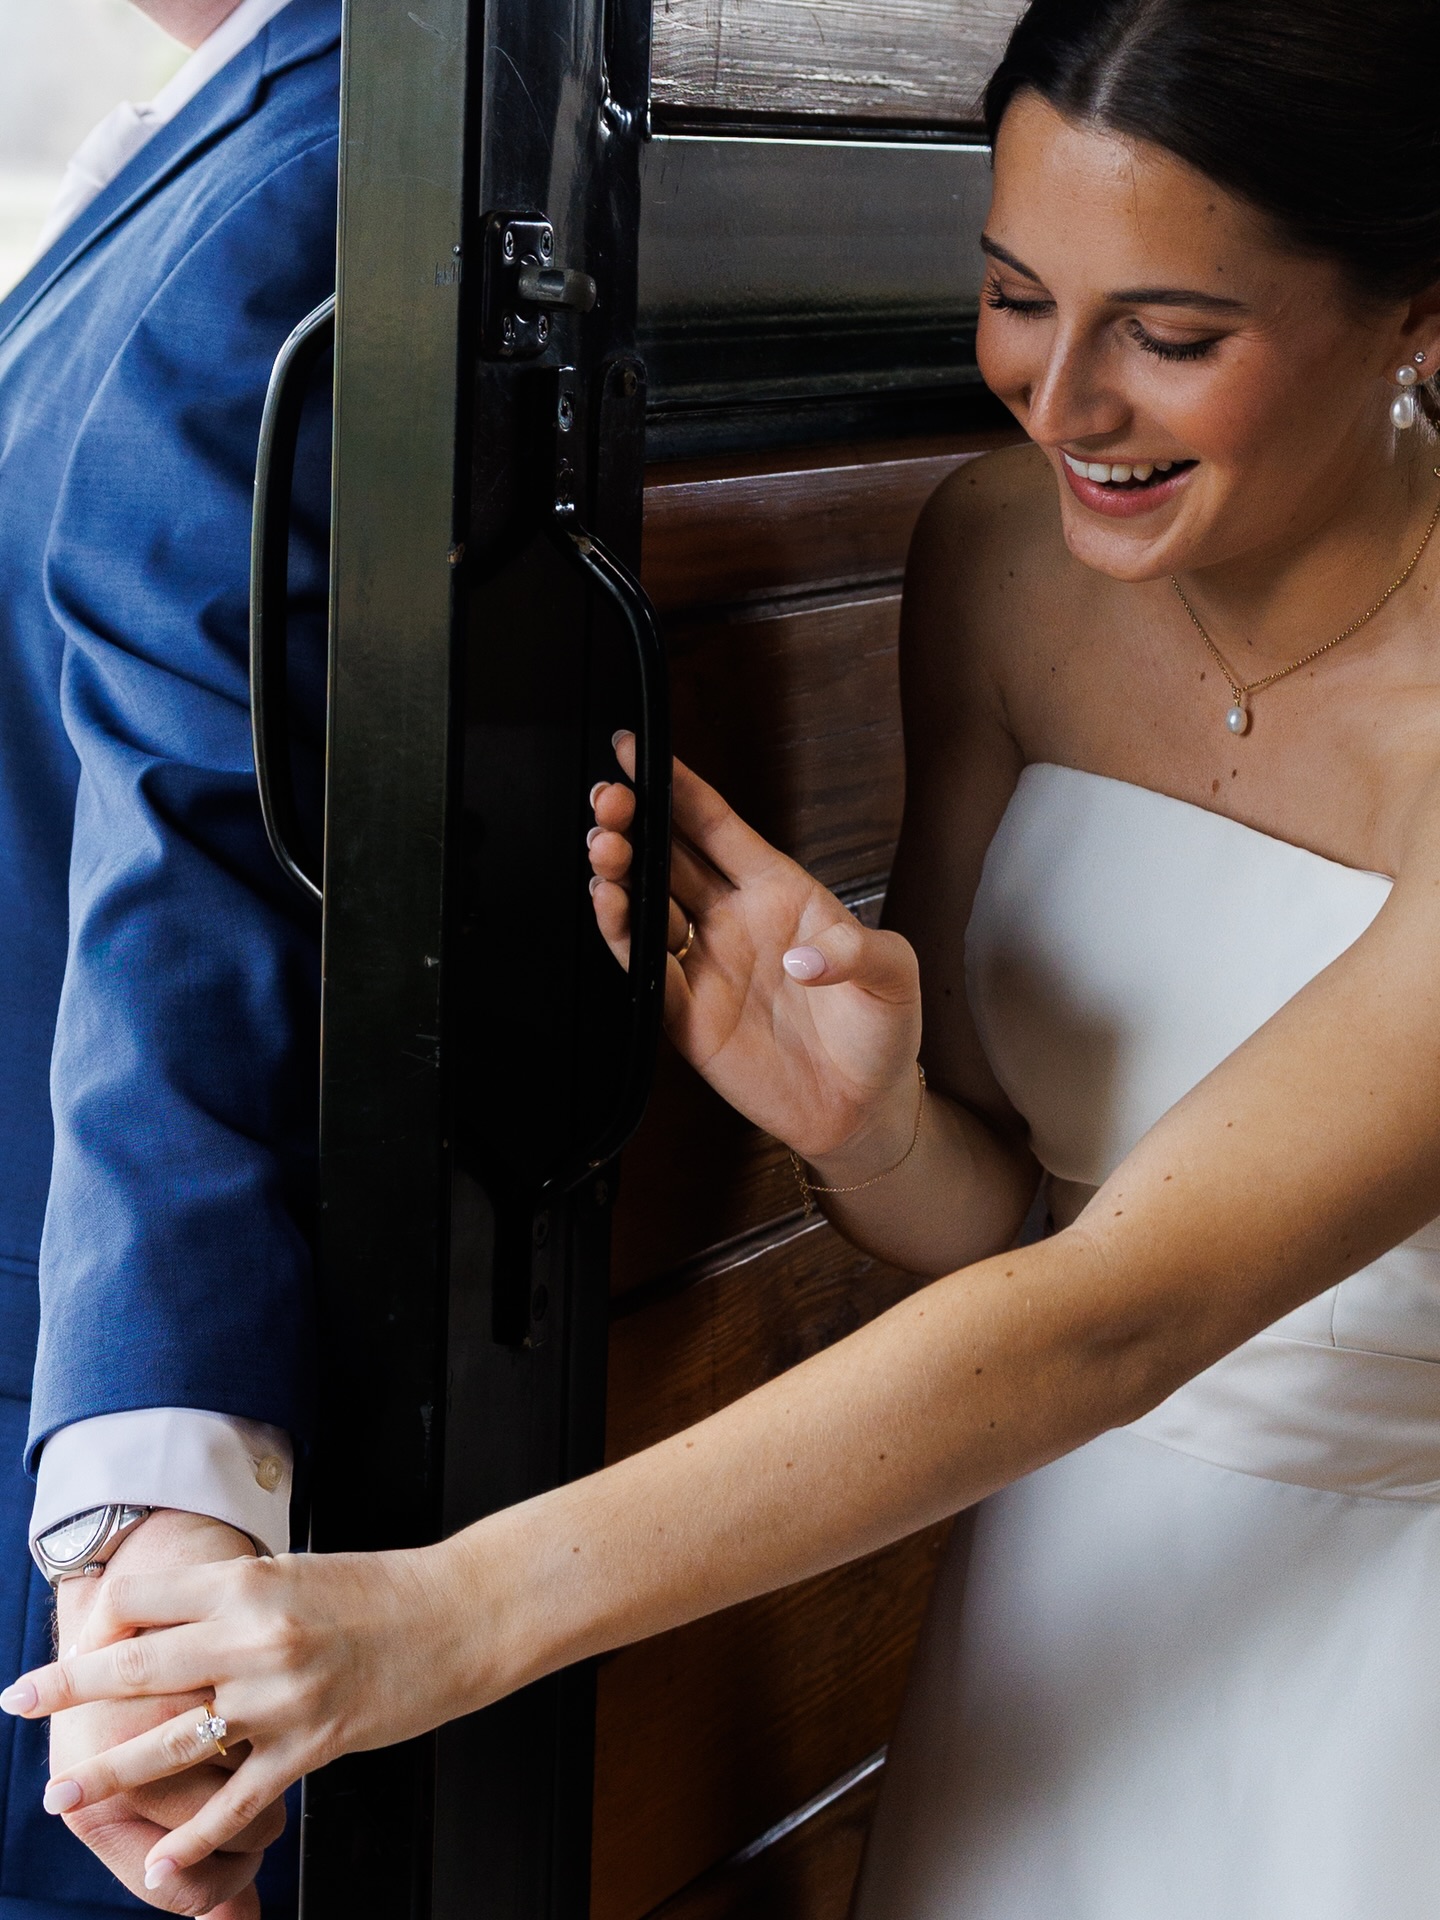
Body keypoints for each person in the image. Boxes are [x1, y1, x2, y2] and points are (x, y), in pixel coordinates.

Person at [13, 0, 1440, 1911]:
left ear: (1418, 313)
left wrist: (441, 1616)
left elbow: (1123, 1313)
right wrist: (868, 1125)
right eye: (1016, 297)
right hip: (1050, 1620)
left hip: (1374, 1670)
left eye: (1172, 338)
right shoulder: (1003, 562)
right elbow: (1009, 1235)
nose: (1063, 399)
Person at [0, 0, 337, 1914]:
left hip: (69, 1390)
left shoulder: (326, 155)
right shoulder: (231, 111)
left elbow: (200, 822)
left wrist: (147, 1500)